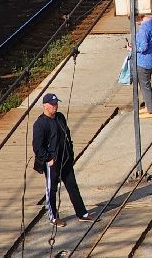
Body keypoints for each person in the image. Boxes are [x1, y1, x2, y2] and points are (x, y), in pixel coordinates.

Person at [32, 94, 94, 226]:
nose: (55, 106)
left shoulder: (60, 117)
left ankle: (82, 213)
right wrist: (48, 159)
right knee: (52, 190)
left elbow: (66, 134)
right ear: (45, 105)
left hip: (65, 159)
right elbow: (37, 146)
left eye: (56, 104)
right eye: (52, 104)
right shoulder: (40, 124)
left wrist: (70, 152)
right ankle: (53, 217)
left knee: (72, 186)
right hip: (52, 162)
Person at [133, 6, 152, 117]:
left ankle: (150, 110)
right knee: (146, 84)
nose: (136, 23)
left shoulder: (144, 29)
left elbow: (143, 47)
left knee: (145, 85)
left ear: (137, 17)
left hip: (145, 62)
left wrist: (132, 48)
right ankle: (148, 106)